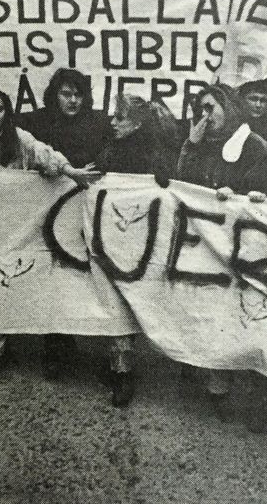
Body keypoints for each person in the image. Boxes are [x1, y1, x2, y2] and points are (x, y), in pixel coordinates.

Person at [0, 85, 101, 383]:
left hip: (19, 226)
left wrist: (70, 171)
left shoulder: (18, 138)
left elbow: (44, 155)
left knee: (25, 278)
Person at [176, 84, 267, 423]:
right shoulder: (201, 143)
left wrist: (238, 196)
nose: (205, 115)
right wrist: (191, 144)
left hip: (234, 242)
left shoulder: (253, 145)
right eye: (200, 108)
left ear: (228, 109)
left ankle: (220, 383)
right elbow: (182, 182)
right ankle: (198, 366)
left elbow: (260, 190)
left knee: (225, 311)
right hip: (202, 238)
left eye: (211, 108)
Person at [21, 68, 112, 374]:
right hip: (48, 211)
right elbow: (23, 145)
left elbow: (108, 155)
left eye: (78, 94)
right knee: (53, 273)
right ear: (54, 95)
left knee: (85, 272)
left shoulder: (98, 122)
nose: (73, 100)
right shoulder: (38, 121)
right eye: (66, 94)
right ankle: (56, 346)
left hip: (85, 209)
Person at [94, 94, 178, 407]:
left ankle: (124, 371)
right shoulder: (111, 148)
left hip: (141, 242)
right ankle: (121, 369)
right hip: (114, 237)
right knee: (116, 302)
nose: (113, 122)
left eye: (120, 117)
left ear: (138, 122)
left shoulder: (155, 156)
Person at [238, 78, 267, 149]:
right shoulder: (231, 122)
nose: (258, 105)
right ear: (242, 99)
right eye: (253, 99)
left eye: (263, 100)